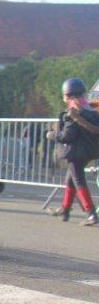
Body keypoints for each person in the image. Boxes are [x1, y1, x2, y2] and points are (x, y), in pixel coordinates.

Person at [46, 78, 99, 225]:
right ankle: (65, 208)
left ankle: (91, 213)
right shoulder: (90, 109)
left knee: (78, 181)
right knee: (70, 180)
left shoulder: (72, 112)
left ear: (67, 95)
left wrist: (52, 135)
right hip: (88, 152)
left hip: (75, 152)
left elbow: (67, 136)